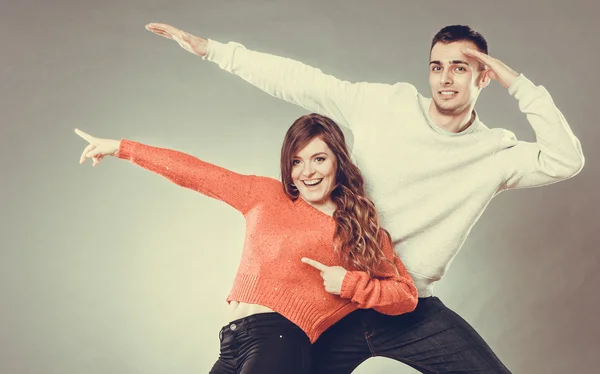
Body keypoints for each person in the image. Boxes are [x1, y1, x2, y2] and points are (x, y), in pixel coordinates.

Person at [143, 23, 585, 373]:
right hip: (334, 302)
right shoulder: (386, 105)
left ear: (483, 75)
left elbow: (566, 160)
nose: (446, 78)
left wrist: (517, 82)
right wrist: (216, 52)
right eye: (437, 66)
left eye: (461, 66)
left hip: (409, 304)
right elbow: (303, 82)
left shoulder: (495, 153)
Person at [74, 113, 418, 374]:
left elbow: (405, 296)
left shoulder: (355, 230)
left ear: (339, 163)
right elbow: (198, 173)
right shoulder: (267, 196)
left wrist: (349, 283)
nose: (307, 172)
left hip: (280, 341)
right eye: (297, 161)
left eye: (319, 158)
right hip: (231, 343)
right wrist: (122, 148)